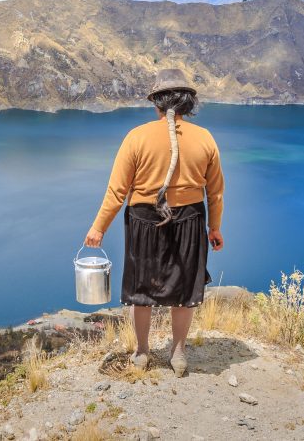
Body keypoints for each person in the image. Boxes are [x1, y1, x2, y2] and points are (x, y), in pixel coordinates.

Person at [84, 68, 225, 377]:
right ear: (187, 104)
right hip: (190, 220)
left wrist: (98, 228)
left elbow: (117, 191)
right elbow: (214, 192)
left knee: (141, 288)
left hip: (144, 221)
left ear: (157, 103)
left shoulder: (137, 137)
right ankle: (178, 352)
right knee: (185, 290)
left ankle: (142, 351)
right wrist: (214, 228)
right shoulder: (205, 139)